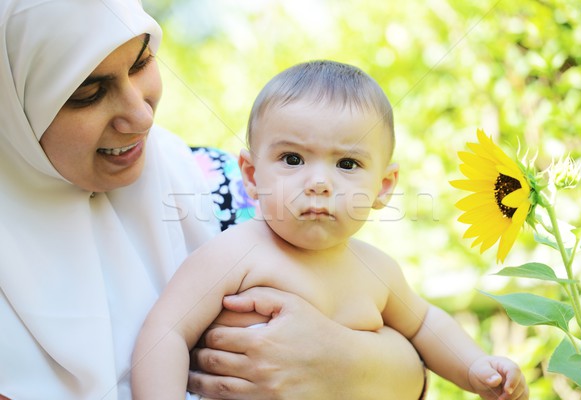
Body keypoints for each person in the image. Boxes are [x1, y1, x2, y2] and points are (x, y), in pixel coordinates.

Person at [0, 1, 429, 399]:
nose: (142, 116)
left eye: (141, 63)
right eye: (88, 93)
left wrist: (347, 364)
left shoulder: (224, 185)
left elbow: (412, 361)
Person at [131, 60, 529, 400]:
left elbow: (425, 324)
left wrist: (476, 366)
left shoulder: (377, 271)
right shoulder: (235, 254)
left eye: (347, 164)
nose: (319, 182)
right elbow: (165, 331)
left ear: (383, 186)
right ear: (251, 175)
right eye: (292, 158)